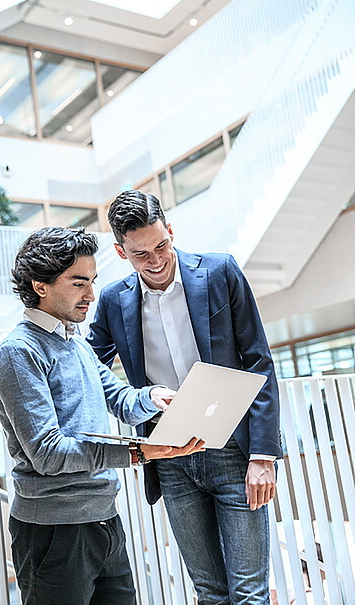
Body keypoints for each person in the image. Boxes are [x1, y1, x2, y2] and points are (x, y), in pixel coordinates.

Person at [87, 190, 283, 604]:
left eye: (161, 245)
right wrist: (137, 396)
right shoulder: (112, 300)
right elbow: (88, 364)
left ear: (171, 230)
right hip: (169, 458)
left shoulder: (219, 271)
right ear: (122, 252)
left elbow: (259, 362)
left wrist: (263, 455)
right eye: (142, 255)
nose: (155, 261)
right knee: (209, 593)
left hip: (232, 448)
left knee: (249, 593)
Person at [0, 226, 204, 605]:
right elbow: (49, 452)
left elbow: (119, 398)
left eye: (91, 281)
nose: (91, 295)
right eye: (78, 283)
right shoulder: (18, 352)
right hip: (54, 530)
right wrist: (139, 453)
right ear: (41, 285)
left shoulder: (76, 345)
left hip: (104, 519)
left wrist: (155, 397)